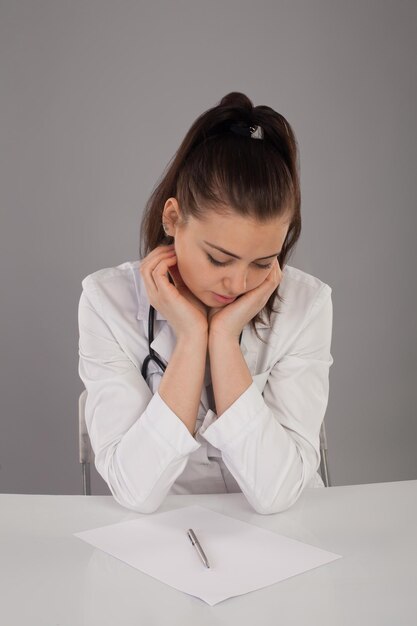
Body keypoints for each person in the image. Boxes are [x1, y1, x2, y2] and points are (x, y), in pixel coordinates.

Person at [78, 92, 334, 515]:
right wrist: (193, 336)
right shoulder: (107, 303)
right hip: (170, 531)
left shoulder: (307, 305)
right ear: (173, 218)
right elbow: (135, 491)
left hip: (288, 536)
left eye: (263, 262)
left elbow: (277, 494)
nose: (237, 283)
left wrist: (224, 339)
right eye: (219, 258)